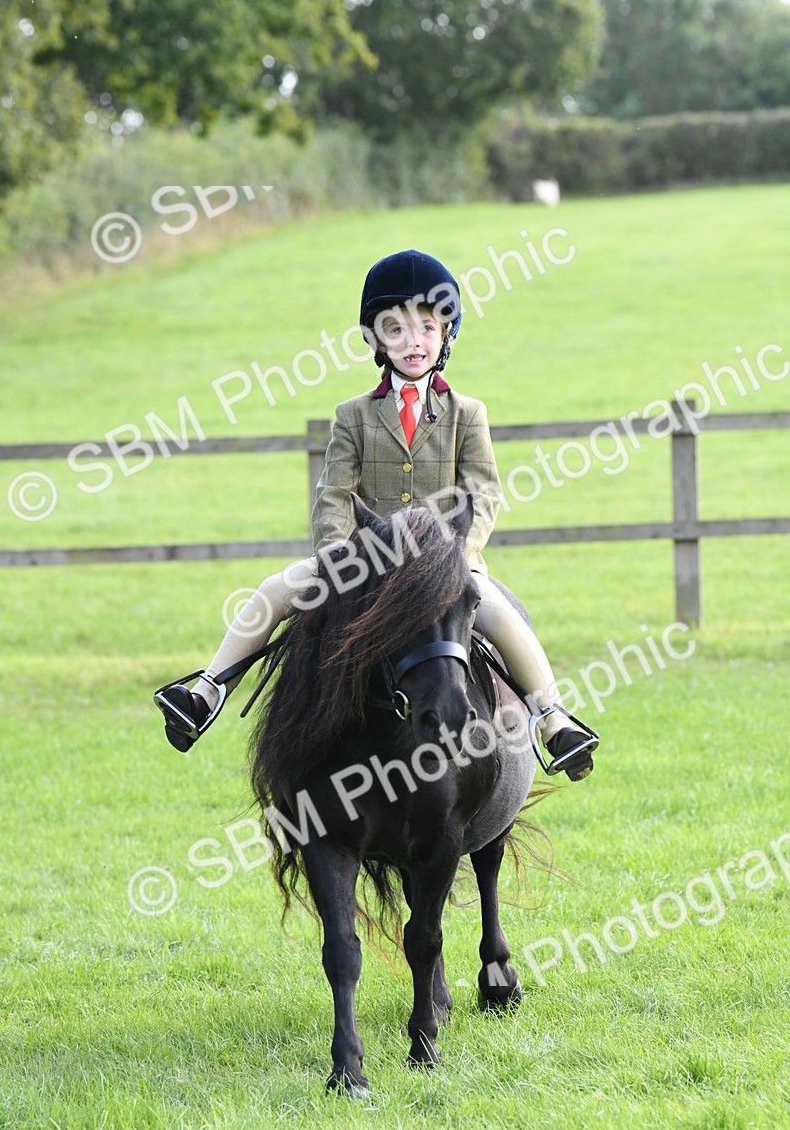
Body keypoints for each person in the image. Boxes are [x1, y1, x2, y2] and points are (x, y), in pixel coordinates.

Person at [154, 249, 598, 780]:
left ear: (446, 336)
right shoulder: (354, 415)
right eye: (397, 330)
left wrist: (457, 557)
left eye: (428, 329)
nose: (414, 342)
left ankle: (552, 719)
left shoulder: (468, 414)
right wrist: (338, 558)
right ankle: (206, 691)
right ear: (376, 340)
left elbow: (483, 495)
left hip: (446, 559)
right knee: (274, 590)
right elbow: (334, 495)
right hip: (366, 560)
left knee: (501, 615)